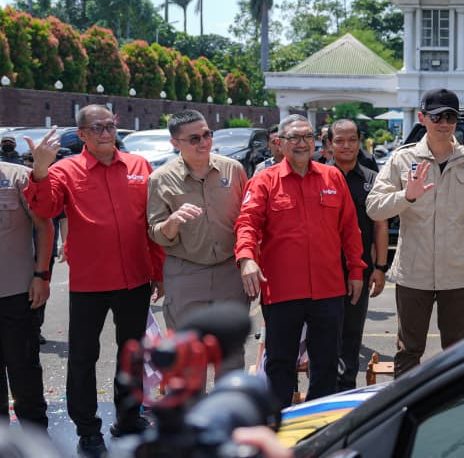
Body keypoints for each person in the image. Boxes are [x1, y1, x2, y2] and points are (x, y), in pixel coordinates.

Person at [23, 105, 164, 457]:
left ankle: (129, 417)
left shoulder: (138, 166)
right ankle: (87, 429)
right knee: (84, 356)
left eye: (109, 125)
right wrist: (40, 170)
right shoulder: (65, 170)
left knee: (132, 354)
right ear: (82, 134)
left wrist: (158, 271)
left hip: (135, 276)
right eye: (96, 128)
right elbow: (44, 209)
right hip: (89, 281)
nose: (106, 132)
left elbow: (150, 223)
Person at [235, 114, 365, 408]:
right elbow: (247, 223)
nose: (302, 143)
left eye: (307, 137)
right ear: (279, 143)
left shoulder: (333, 178)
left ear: (317, 142)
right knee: (280, 364)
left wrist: (356, 269)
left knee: (327, 364)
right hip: (282, 291)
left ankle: (319, 429)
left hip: (328, 289)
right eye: (294, 137)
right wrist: (246, 258)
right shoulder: (264, 181)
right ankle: (278, 428)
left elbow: (349, 229)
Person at [366, 88, 464, 377]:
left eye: (450, 117)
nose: (444, 123)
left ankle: (452, 413)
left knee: (457, 350)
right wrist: (406, 197)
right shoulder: (402, 160)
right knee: (409, 349)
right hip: (414, 273)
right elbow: (374, 208)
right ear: (422, 118)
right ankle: (405, 411)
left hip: (459, 273)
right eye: (437, 116)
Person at [146, 111, 250, 374]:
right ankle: (191, 414)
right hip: (186, 273)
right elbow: (155, 232)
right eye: (194, 138)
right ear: (175, 143)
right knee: (187, 355)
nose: (204, 142)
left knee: (231, 353)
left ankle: (228, 413)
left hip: (229, 272)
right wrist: (174, 221)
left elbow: (247, 219)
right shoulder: (160, 178)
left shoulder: (233, 169)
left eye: (207, 134)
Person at [326, 119, 389, 391]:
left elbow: (380, 225)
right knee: (324, 336)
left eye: (352, 139)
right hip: (322, 271)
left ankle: (345, 390)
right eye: (339, 140)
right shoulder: (317, 176)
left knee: (351, 335)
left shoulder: (372, 180)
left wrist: (380, 267)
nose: (346, 145)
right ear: (329, 144)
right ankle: (323, 392)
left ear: (359, 141)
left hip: (359, 272)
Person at [0, 160, 51, 430]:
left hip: (16, 292)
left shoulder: (17, 176)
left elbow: (44, 226)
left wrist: (42, 275)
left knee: (24, 371)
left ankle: (35, 438)